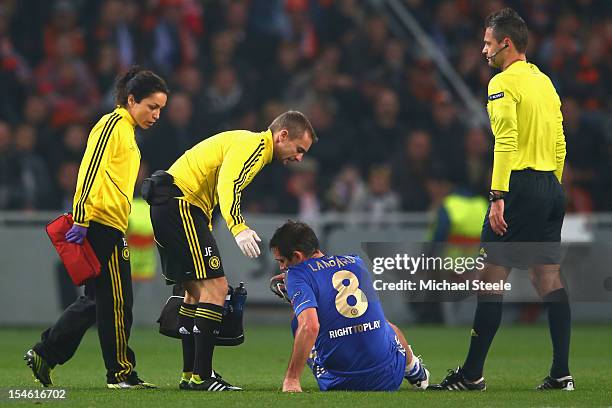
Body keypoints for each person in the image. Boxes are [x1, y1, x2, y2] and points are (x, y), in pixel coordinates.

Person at [431, 8, 570, 391]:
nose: (483, 50)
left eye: (488, 43)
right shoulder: (545, 83)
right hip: (550, 186)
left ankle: (472, 374)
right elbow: (559, 142)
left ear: (506, 44)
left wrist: (498, 196)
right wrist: (551, 188)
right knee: (548, 278)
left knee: (490, 279)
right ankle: (561, 373)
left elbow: (505, 141)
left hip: (519, 186)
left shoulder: (502, 84)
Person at [147, 111, 317, 391]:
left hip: (171, 205)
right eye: (299, 149)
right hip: (182, 205)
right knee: (217, 288)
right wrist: (238, 227)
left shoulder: (244, 142)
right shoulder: (255, 146)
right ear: (282, 135)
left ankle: (191, 375)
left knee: (194, 292)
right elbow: (230, 183)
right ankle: (203, 376)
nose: (299, 158)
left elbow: (217, 181)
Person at [25, 67, 169, 389]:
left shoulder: (127, 131)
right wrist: (80, 217)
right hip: (99, 224)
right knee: (117, 302)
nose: (157, 114)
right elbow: (89, 169)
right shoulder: (112, 125)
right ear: (131, 100)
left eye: (160, 108)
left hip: (109, 224)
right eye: (152, 106)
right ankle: (120, 375)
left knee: (100, 300)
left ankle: (45, 352)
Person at [269, 220, 430, 392]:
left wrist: (292, 379)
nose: (282, 267)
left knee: (299, 322)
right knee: (386, 325)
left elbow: (310, 326)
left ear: (297, 256)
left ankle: (294, 379)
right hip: (390, 377)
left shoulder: (296, 274)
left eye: (282, 260)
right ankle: (415, 371)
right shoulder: (355, 262)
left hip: (342, 383)